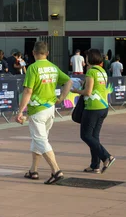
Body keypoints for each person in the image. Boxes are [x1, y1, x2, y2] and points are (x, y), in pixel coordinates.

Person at [16, 41, 72, 185]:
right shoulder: (53, 67)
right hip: (50, 109)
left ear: (33, 53)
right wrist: (62, 97)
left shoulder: (33, 68)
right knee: (39, 139)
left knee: (41, 140)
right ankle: (33, 170)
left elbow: (28, 91)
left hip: (37, 110)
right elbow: (68, 81)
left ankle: (56, 170)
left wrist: (20, 111)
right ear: (47, 53)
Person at [71, 49, 116, 174]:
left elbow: (88, 92)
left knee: (85, 135)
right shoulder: (102, 71)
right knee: (94, 137)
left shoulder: (91, 71)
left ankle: (106, 156)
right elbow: (96, 87)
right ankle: (95, 165)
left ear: (89, 59)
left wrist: (76, 91)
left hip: (92, 107)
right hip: (103, 106)